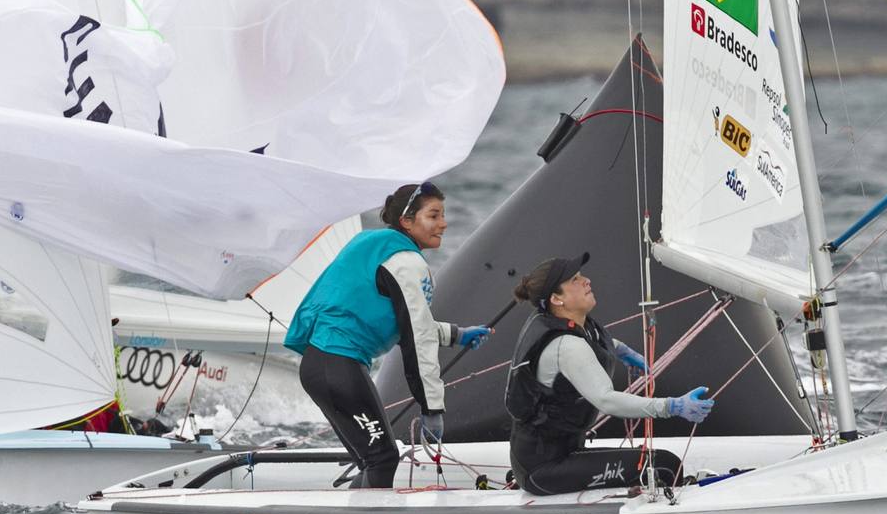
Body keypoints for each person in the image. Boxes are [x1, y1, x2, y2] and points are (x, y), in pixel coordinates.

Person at [283, 181, 491, 488]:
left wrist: (457, 334)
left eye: (443, 215)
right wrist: (432, 407)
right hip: (338, 366)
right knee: (382, 459)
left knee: (374, 459)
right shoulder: (405, 262)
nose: (444, 224)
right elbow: (416, 337)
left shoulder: (375, 245)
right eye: (433, 216)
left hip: (324, 364)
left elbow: (405, 322)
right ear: (407, 221)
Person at [505, 253, 714, 495]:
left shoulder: (565, 323)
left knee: (665, 464)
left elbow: (592, 344)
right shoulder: (566, 345)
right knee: (664, 467)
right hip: (543, 469)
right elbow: (606, 400)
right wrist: (672, 407)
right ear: (556, 299)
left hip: (560, 454)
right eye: (575, 279)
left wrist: (621, 350)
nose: (587, 281)